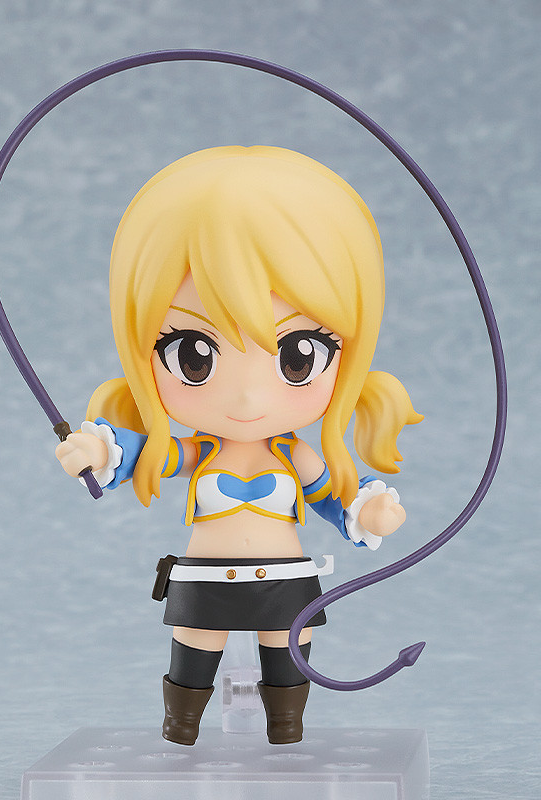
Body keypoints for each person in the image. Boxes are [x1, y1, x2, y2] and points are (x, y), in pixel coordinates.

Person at [55, 145, 423, 745]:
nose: (249, 398)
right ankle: (180, 730)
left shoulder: (295, 457)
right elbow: (147, 455)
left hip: (285, 579)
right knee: (195, 650)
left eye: (298, 354)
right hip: (206, 578)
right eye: (193, 355)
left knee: (289, 653)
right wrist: (100, 450)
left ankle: (287, 730)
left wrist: (368, 510)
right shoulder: (198, 452)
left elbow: (333, 499)